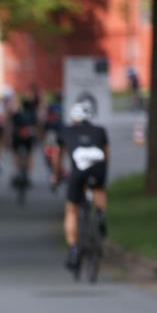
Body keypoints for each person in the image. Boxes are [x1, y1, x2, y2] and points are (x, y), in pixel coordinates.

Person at [52, 101, 109, 270]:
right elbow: (107, 154)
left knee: (71, 209)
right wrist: (104, 173)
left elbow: (57, 157)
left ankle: (73, 250)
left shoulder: (66, 131)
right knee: (98, 189)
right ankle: (100, 214)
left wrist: (57, 175)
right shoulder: (100, 131)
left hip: (78, 172)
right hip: (98, 168)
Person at [10, 94, 39, 185]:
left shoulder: (17, 114)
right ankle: (29, 175)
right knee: (30, 155)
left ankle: (18, 171)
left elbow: (12, 127)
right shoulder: (32, 114)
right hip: (29, 138)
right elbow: (36, 127)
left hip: (17, 138)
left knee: (16, 154)